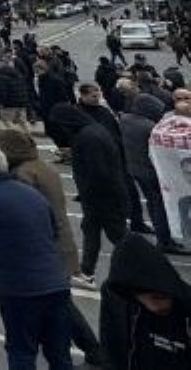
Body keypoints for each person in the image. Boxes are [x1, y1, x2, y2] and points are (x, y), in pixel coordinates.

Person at [0, 143, 74, 369]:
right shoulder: (31, 193)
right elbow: (53, 230)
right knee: (58, 352)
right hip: (55, 282)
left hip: (20, 288)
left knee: (21, 350)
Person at [0, 130, 103, 362]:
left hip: (44, 247)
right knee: (59, 302)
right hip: (61, 242)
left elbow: (21, 214)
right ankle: (90, 349)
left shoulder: (22, 175)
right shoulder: (41, 166)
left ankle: (93, 349)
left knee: (59, 304)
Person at [48, 103, 131, 283]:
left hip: (102, 197)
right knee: (92, 231)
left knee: (118, 236)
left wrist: (88, 193)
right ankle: (86, 271)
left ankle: (143, 267)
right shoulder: (94, 131)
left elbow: (97, 172)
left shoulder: (87, 138)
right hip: (102, 196)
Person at [97, 233, 191, 369]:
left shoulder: (186, 305)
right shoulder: (114, 296)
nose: (160, 306)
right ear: (133, 294)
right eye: (155, 298)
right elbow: (109, 347)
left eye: (165, 297)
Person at [121, 94, 191, 254]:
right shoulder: (150, 127)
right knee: (160, 204)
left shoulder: (126, 120)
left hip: (135, 168)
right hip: (152, 171)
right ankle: (165, 240)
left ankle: (163, 237)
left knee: (153, 204)